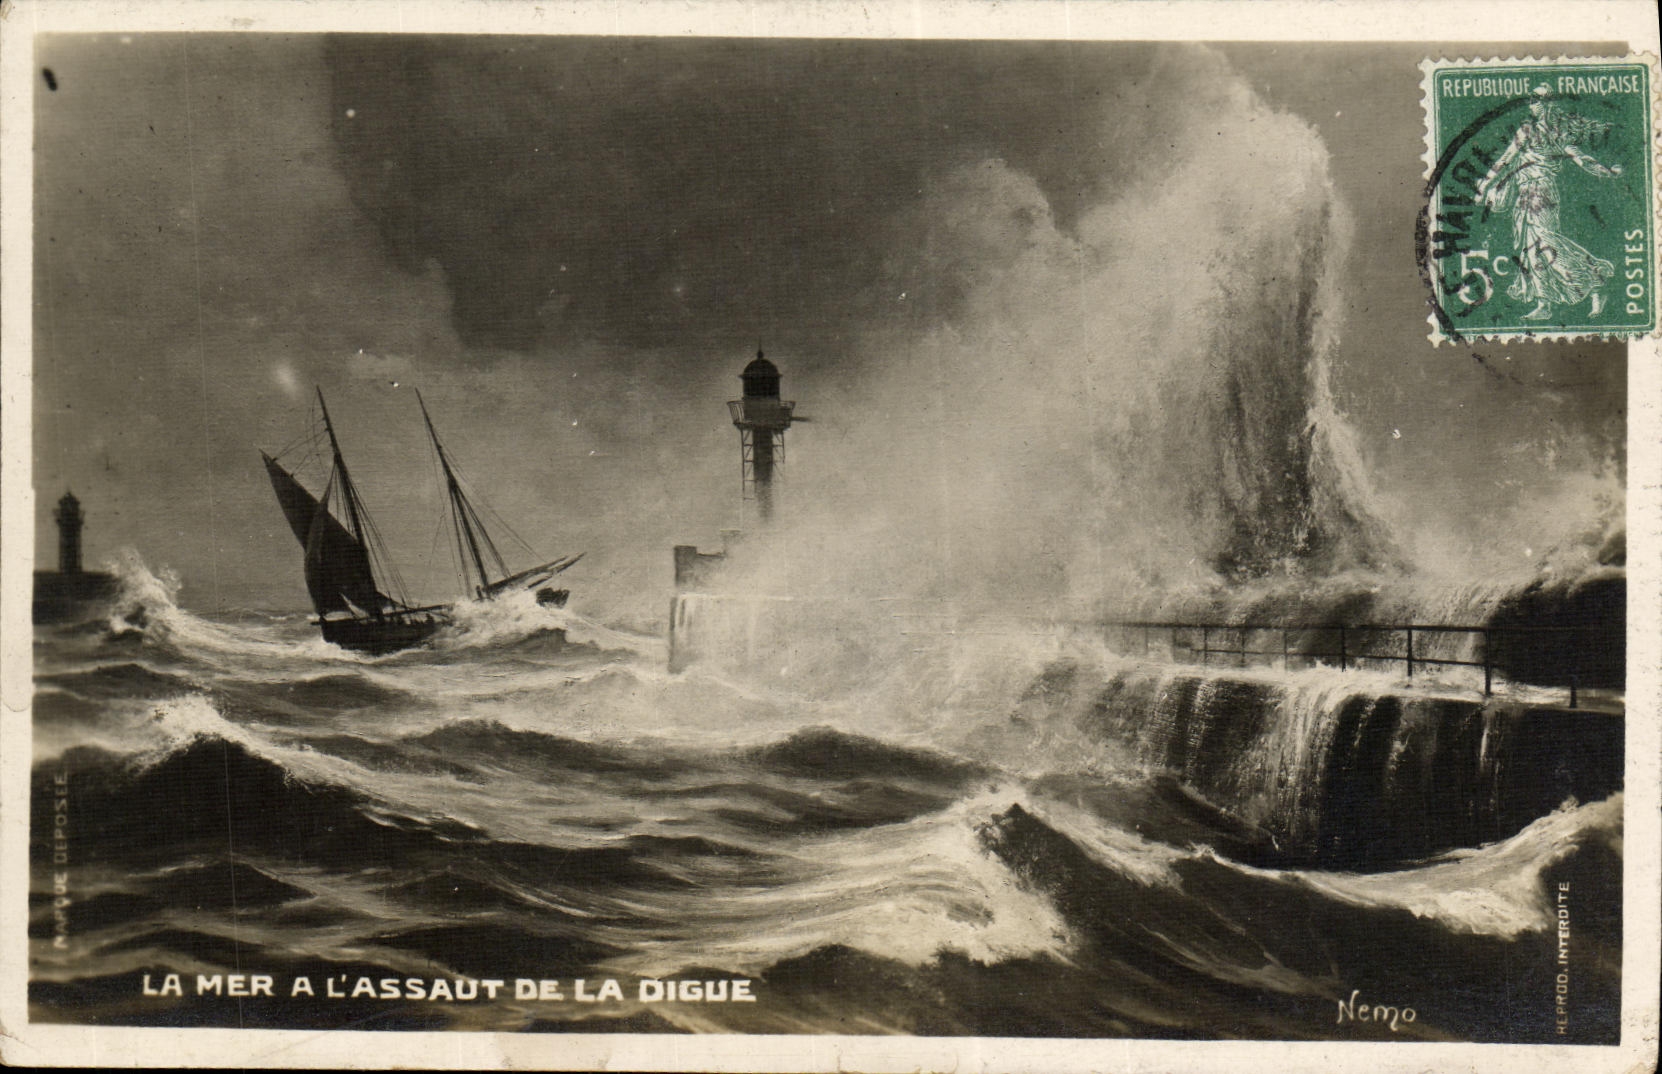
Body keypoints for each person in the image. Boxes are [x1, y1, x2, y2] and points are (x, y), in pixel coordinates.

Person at [1473, 87, 1624, 319]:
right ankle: (1545, 304)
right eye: (1531, 99)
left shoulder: (1557, 134)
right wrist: (1484, 185)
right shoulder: (1526, 131)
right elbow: (1504, 160)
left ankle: (1595, 283)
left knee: (1547, 244)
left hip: (1542, 194)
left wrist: (1608, 172)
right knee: (1529, 249)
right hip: (1524, 195)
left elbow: (1581, 159)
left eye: (1536, 99)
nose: (1532, 103)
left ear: (1548, 103)